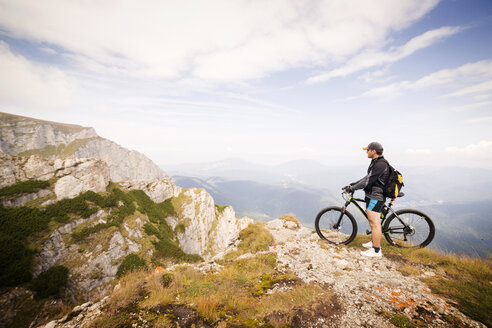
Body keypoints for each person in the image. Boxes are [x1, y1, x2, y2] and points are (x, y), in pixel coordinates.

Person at [343, 141, 389, 258]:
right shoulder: (376, 162)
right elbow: (367, 177)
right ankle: (374, 241)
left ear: (373, 151)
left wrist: (352, 188)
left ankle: (376, 251)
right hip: (371, 195)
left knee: (375, 224)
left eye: (367, 150)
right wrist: (354, 184)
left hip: (376, 196)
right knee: (372, 221)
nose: (366, 152)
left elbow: (368, 181)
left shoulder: (380, 164)